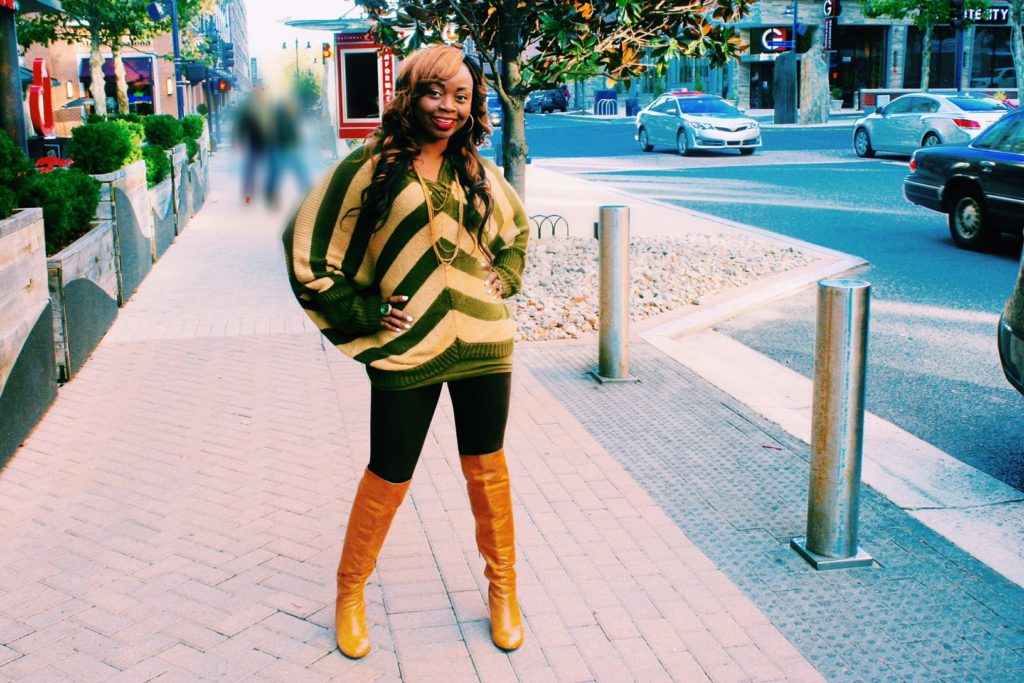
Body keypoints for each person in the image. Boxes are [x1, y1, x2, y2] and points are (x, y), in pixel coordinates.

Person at [283, 45, 529, 659]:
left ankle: (503, 592)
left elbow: (516, 231)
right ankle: (349, 593)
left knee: (487, 470)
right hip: (405, 345)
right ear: (411, 93)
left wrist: (508, 273)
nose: (448, 107)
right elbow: (309, 248)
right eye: (435, 92)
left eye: (462, 96)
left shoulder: (475, 168)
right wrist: (364, 312)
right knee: (389, 472)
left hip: (483, 342)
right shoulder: (369, 166)